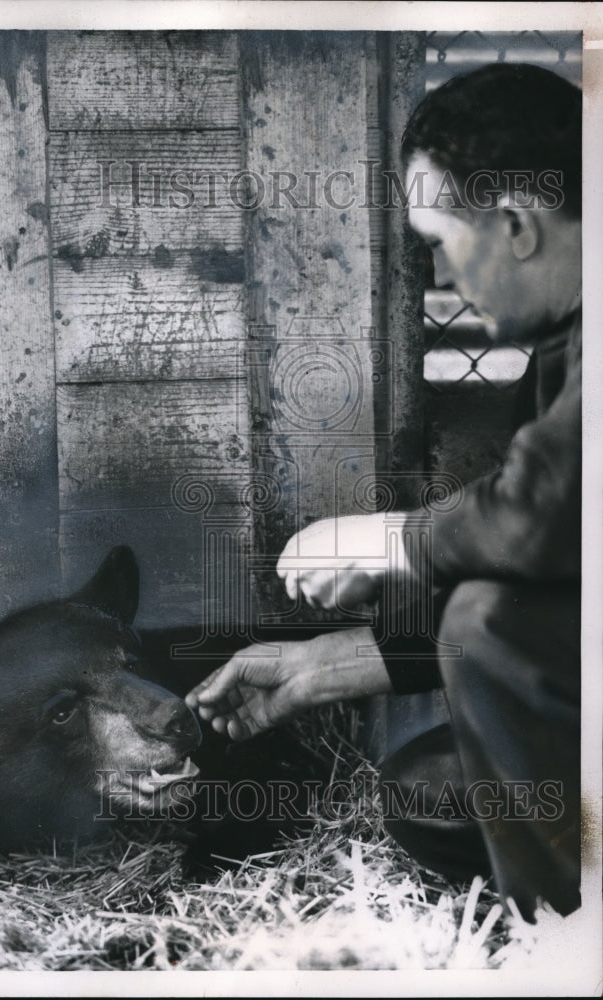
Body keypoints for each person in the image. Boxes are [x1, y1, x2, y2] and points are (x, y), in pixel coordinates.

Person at [186, 63, 582, 920]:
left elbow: (545, 518)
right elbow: (556, 577)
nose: (440, 273)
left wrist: (393, 538)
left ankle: (568, 949)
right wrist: (315, 669)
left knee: (488, 621)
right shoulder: (561, 345)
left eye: (439, 240)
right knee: (434, 793)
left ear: (515, 223)